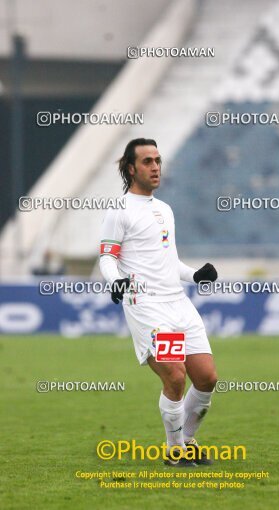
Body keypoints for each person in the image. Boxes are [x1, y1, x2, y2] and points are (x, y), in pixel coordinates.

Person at [99, 138, 218, 466]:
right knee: (175, 376)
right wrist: (116, 281)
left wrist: (196, 275)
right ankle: (174, 451)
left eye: (157, 160)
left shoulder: (164, 209)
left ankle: (188, 439)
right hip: (147, 306)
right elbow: (107, 258)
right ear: (130, 167)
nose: (155, 167)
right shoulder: (119, 210)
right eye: (147, 161)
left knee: (207, 377)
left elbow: (170, 263)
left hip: (178, 302)